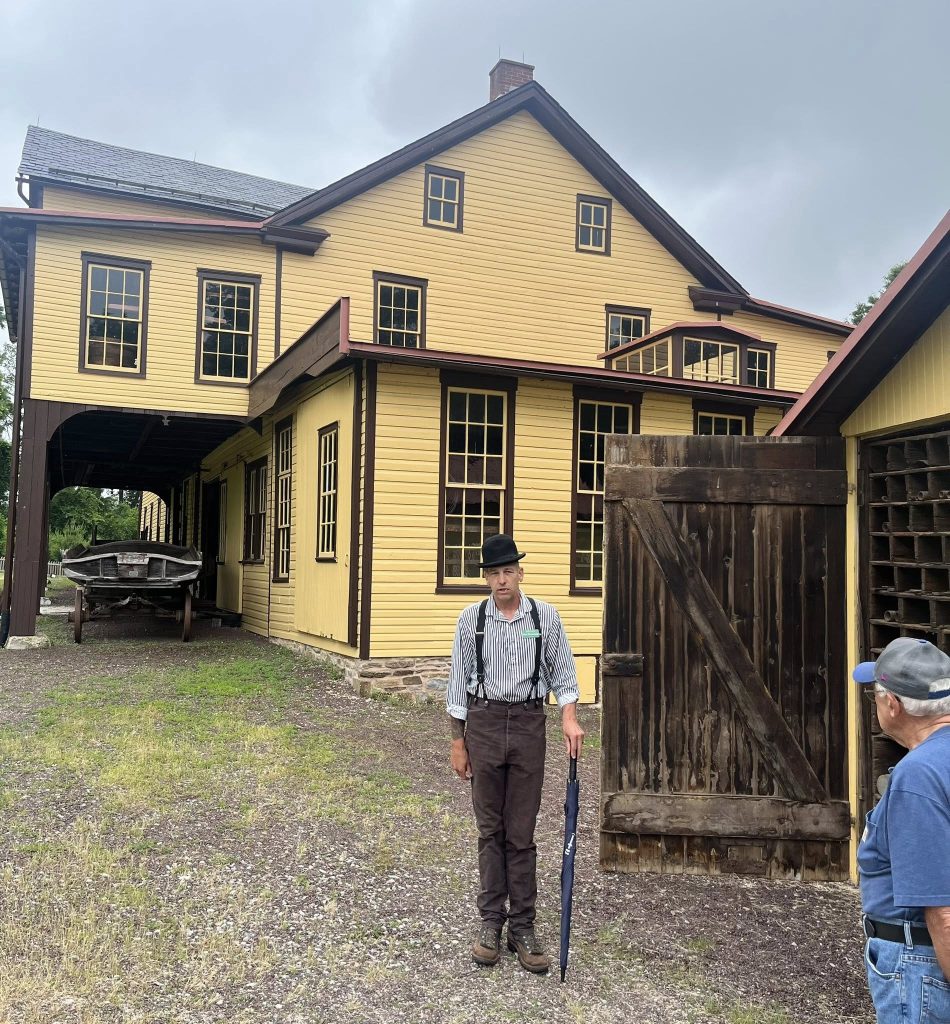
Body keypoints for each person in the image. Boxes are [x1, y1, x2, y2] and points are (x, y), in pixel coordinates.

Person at [447, 533, 585, 974]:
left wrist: (569, 719)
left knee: (521, 832)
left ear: (520, 573)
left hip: (528, 724)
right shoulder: (472, 620)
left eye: (509, 571)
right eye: (494, 573)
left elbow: (564, 675)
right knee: (490, 829)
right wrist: (458, 742)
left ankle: (522, 926)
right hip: (484, 724)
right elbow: (458, 684)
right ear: (486, 578)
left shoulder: (545, 617)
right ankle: (491, 921)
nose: (502, 579)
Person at [853, 636, 950, 1022]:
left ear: (892, 704)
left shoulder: (918, 775)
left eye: (874, 695)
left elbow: (941, 909)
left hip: (921, 965)